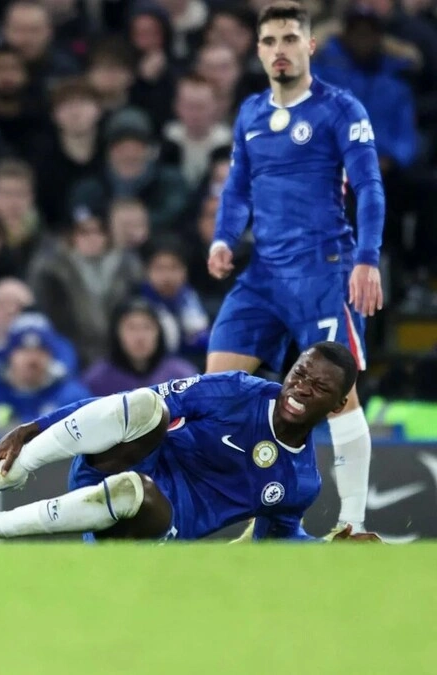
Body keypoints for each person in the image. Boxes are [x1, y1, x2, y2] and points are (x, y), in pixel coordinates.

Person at [206, 2, 386, 536]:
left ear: (309, 45)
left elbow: (369, 187)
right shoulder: (250, 113)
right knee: (217, 391)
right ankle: (252, 516)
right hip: (262, 276)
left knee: (338, 396)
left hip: (323, 272)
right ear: (258, 50)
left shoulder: (340, 109)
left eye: (289, 39)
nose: (279, 50)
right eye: (269, 41)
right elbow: (237, 188)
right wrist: (223, 238)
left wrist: (367, 259)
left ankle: (352, 524)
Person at [0, 343, 382, 543]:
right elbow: (120, 405)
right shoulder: (238, 391)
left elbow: (277, 542)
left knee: (136, 491)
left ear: (338, 404)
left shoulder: (300, 481)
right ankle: (5, 472)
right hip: (113, 463)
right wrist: (31, 426)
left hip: (149, 526)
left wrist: (327, 550)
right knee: (149, 406)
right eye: (299, 374)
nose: (300, 389)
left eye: (319, 387)